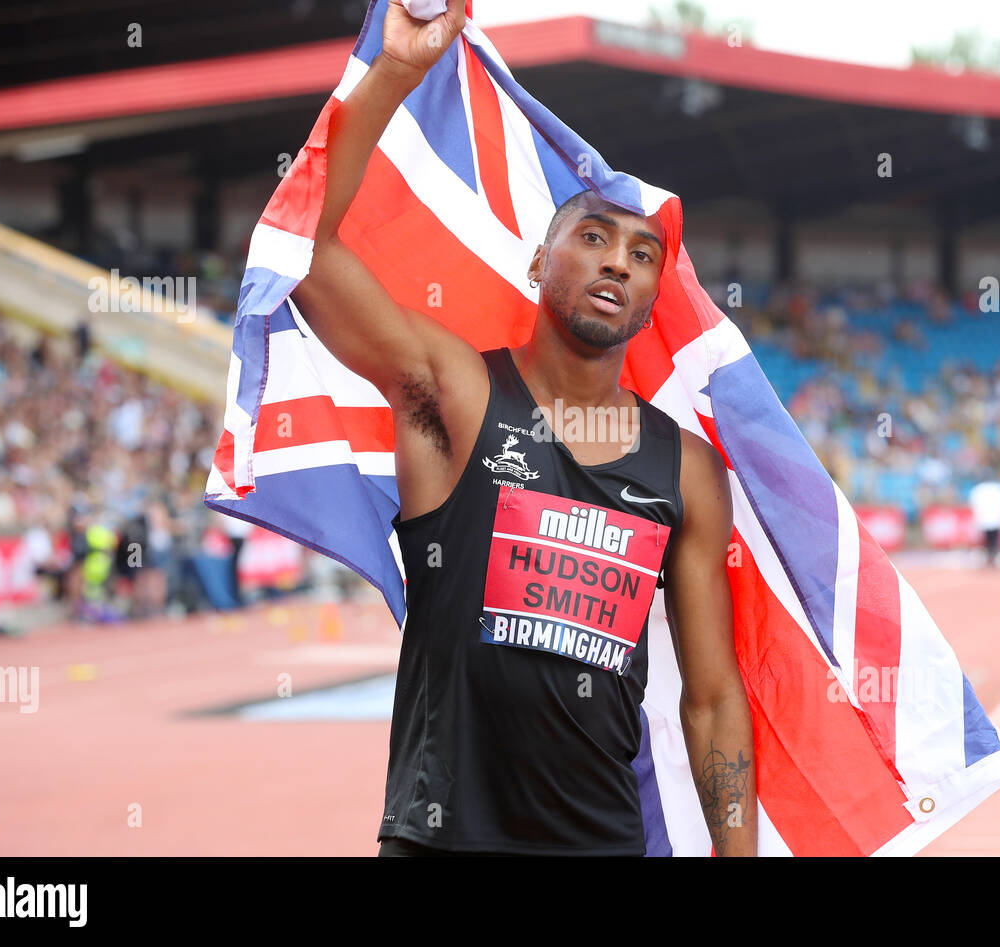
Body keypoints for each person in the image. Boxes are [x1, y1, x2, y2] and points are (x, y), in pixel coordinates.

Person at [290, 0, 755, 857]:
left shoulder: (686, 470)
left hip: (603, 843)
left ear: (653, 299)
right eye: (593, 236)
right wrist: (397, 69)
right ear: (540, 264)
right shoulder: (457, 395)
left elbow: (712, 695)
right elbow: (305, 252)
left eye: (642, 254)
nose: (619, 259)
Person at [968, 473, 1000, 568]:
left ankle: (987, 561)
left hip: (983, 520)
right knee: (994, 542)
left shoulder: (978, 489)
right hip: (996, 519)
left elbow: (973, 504)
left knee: (985, 542)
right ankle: (993, 560)